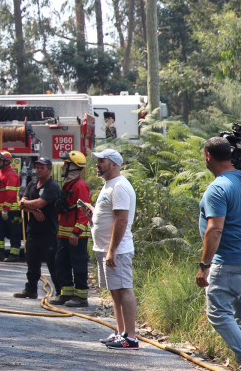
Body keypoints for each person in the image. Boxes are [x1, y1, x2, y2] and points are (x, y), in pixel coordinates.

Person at [196, 137, 241, 364]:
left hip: (227, 261)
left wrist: (205, 266)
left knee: (218, 313)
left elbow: (215, 229)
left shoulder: (218, 187)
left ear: (208, 156)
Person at [89, 148, 139, 350]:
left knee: (124, 288)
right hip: (105, 247)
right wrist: (93, 213)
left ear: (114, 164)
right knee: (115, 290)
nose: (98, 164)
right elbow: (110, 215)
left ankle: (131, 337)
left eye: (102, 161)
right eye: (98, 161)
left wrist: (112, 250)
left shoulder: (119, 186)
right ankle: (121, 333)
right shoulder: (109, 185)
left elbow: (121, 219)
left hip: (117, 249)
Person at [13, 157, 59, 299]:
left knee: (53, 264)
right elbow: (21, 203)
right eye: (37, 167)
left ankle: (60, 292)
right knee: (32, 263)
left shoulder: (52, 186)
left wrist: (28, 204)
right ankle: (31, 290)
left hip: (49, 232)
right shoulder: (32, 185)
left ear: (49, 170)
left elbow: (40, 203)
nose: (39, 170)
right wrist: (32, 210)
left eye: (42, 167)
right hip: (33, 231)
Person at [50, 150, 92, 307]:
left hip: (76, 236)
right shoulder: (68, 184)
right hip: (64, 234)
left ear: (73, 168)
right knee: (62, 263)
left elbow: (84, 211)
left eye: (66, 164)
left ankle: (81, 297)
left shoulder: (80, 185)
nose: (62, 167)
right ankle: (66, 294)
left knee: (78, 264)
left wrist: (76, 232)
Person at [0, 151, 22, 262]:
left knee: (14, 232)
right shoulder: (0, 173)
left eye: (0, 160)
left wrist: (5, 209)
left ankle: (14, 254)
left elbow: (11, 194)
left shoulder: (11, 175)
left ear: (6, 161)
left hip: (11, 210)